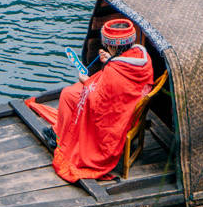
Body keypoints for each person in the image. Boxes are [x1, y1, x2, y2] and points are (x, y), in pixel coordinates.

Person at [25, 18, 154, 184]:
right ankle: (61, 132)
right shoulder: (141, 57)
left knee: (68, 94)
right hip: (127, 102)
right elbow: (117, 83)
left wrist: (85, 80)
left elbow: (97, 101)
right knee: (71, 94)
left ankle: (61, 135)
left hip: (118, 114)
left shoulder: (115, 70)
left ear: (114, 46)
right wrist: (110, 60)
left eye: (109, 45)